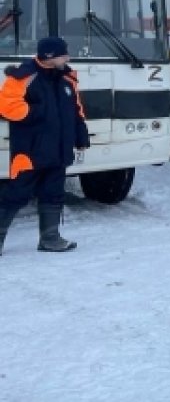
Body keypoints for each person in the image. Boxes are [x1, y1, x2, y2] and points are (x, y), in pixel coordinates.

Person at [0, 36, 90, 254]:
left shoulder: (67, 78)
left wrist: (81, 136)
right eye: (63, 54)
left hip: (59, 150)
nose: (67, 58)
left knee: (53, 193)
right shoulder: (23, 75)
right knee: (15, 196)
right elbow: (6, 106)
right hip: (30, 151)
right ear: (49, 56)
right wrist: (38, 113)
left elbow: (76, 110)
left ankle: (50, 239)